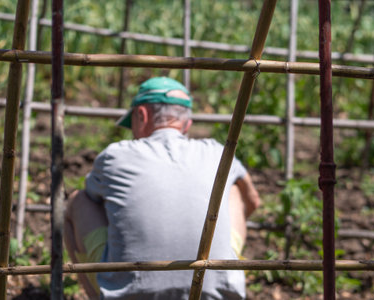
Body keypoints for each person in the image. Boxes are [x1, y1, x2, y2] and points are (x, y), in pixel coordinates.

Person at [64, 77, 260, 300]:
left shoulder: (116, 156)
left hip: (135, 295)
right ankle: (221, 275)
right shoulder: (217, 153)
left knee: (78, 201)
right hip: (217, 295)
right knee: (233, 192)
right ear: (187, 124)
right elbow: (252, 201)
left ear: (141, 115)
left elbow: (95, 203)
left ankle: (105, 294)